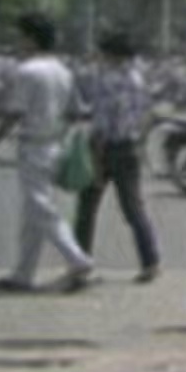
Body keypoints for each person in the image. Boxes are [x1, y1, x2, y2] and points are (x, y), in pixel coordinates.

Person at [0, 14, 95, 294]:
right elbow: (76, 111)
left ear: (31, 39)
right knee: (32, 215)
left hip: (33, 145)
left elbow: (14, 113)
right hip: (55, 143)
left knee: (41, 208)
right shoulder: (63, 71)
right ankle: (23, 273)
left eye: (21, 36)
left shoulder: (27, 72)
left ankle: (77, 258)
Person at [73, 31, 161, 284]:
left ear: (110, 54)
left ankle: (80, 263)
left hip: (107, 148)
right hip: (130, 146)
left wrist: (95, 158)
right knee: (133, 208)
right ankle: (150, 261)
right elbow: (148, 114)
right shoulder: (138, 78)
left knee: (87, 207)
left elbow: (103, 123)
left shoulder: (105, 81)